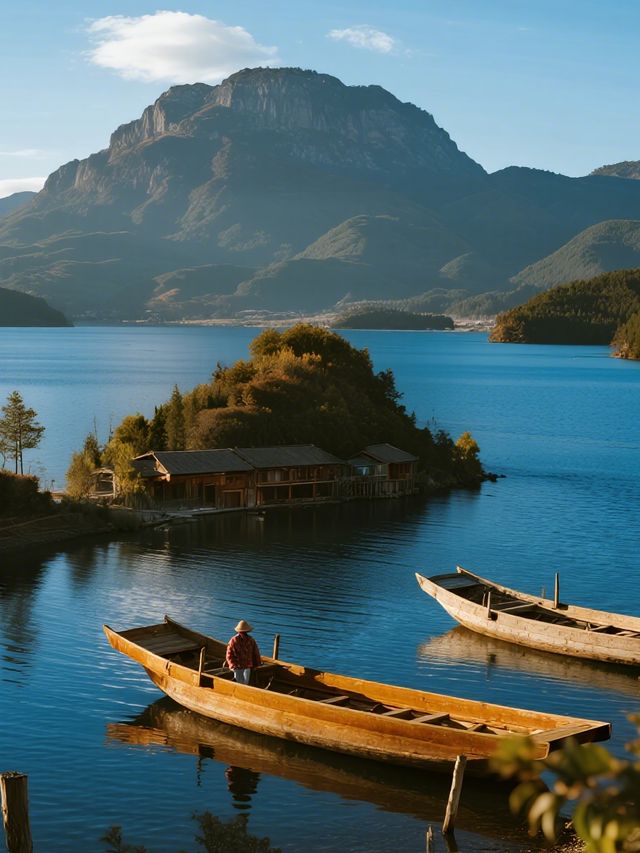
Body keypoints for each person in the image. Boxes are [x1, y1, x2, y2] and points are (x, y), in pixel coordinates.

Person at [226, 619, 261, 684]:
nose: (243, 634)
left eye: (245, 632)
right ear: (239, 632)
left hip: (247, 665)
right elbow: (229, 655)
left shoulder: (251, 640)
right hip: (237, 666)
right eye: (242, 632)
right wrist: (232, 665)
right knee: (238, 682)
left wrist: (256, 665)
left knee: (245, 682)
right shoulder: (233, 641)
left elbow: (256, 653)